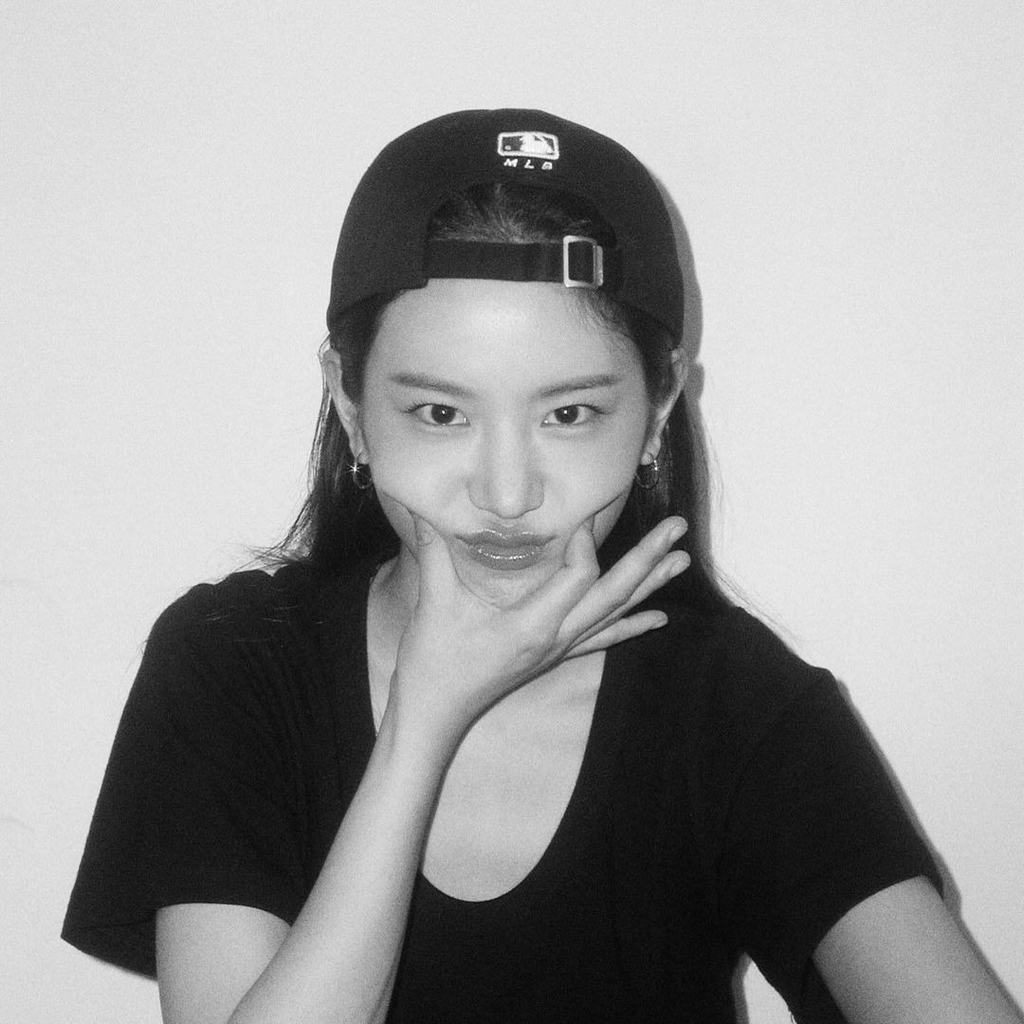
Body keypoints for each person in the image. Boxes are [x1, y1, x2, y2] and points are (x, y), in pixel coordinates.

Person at [63, 109, 1022, 1024]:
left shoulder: (737, 705)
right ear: (350, 407)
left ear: (657, 411)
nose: (508, 492)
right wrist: (423, 725)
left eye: (569, 414)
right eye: (441, 413)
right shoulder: (232, 664)